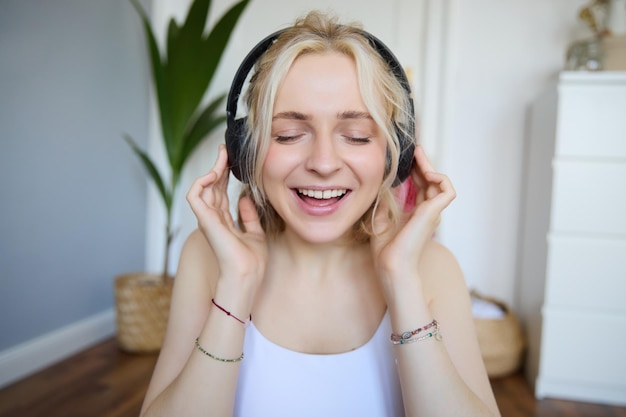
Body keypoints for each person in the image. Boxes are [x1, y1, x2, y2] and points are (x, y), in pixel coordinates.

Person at [140, 10, 501, 417]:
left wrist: (401, 280)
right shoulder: (207, 257)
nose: (324, 163)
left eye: (356, 136)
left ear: (392, 154)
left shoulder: (432, 269)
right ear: (247, 150)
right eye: (289, 135)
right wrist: (236, 283)